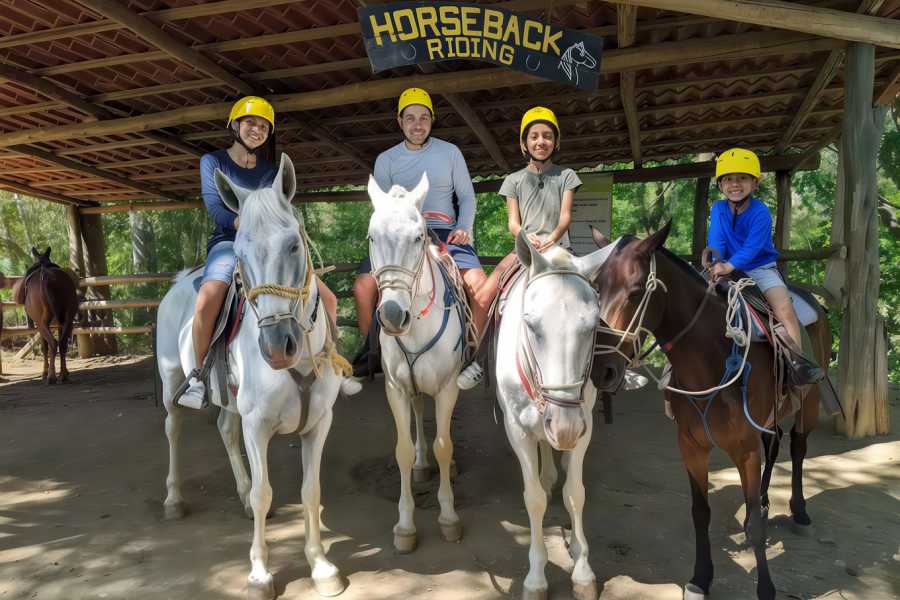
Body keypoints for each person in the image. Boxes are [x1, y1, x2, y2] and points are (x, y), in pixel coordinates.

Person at [179, 96, 340, 408]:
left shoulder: (269, 170)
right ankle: (197, 377)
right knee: (207, 298)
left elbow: (279, 211)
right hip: (230, 242)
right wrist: (247, 225)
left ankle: (330, 360)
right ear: (235, 125)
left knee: (329, 298)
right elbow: (216, 207)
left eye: (264, 126)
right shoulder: (212, 162)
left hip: (269, 246)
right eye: (251, 122)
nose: (257, 129)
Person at [352, 87, 491, 376]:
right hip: (401, 235)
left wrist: (464, 227)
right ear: (400, 121)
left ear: (432, 120)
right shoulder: (386, 159)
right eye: (411, 118)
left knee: (479, 285)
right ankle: (373, 350)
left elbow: (466, 197)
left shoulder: (450, 152)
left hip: (445, 231)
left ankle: (473, 353)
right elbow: (380, 206)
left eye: (424, 118)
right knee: (364, 286)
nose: (418, 124)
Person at [456, 106, 581, 390]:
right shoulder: (513, 180)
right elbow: (513, 223)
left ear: (556, 142)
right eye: (534, 136)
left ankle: (608, 359)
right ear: (524, 143)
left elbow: (565, 216)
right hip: (525, 249)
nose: (541, 141)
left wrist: (553, 236)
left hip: (560, 248)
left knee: (593, 292)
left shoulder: (567, 176)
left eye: (547, 136)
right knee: (485, 294)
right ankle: (476, 357)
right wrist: (527, 237)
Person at [707, 147, 823, 385]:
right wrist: (716, 263)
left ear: (754, 182)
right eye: (728, 179)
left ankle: (796, 364)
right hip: (726, 267)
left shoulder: (760, 211)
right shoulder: (718, 209)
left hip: (760, 268)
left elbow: (753, 247)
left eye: (742, 178)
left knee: (784, 310)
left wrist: (729, 266)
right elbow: (716, 239)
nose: (735, 184)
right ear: (720, 185)